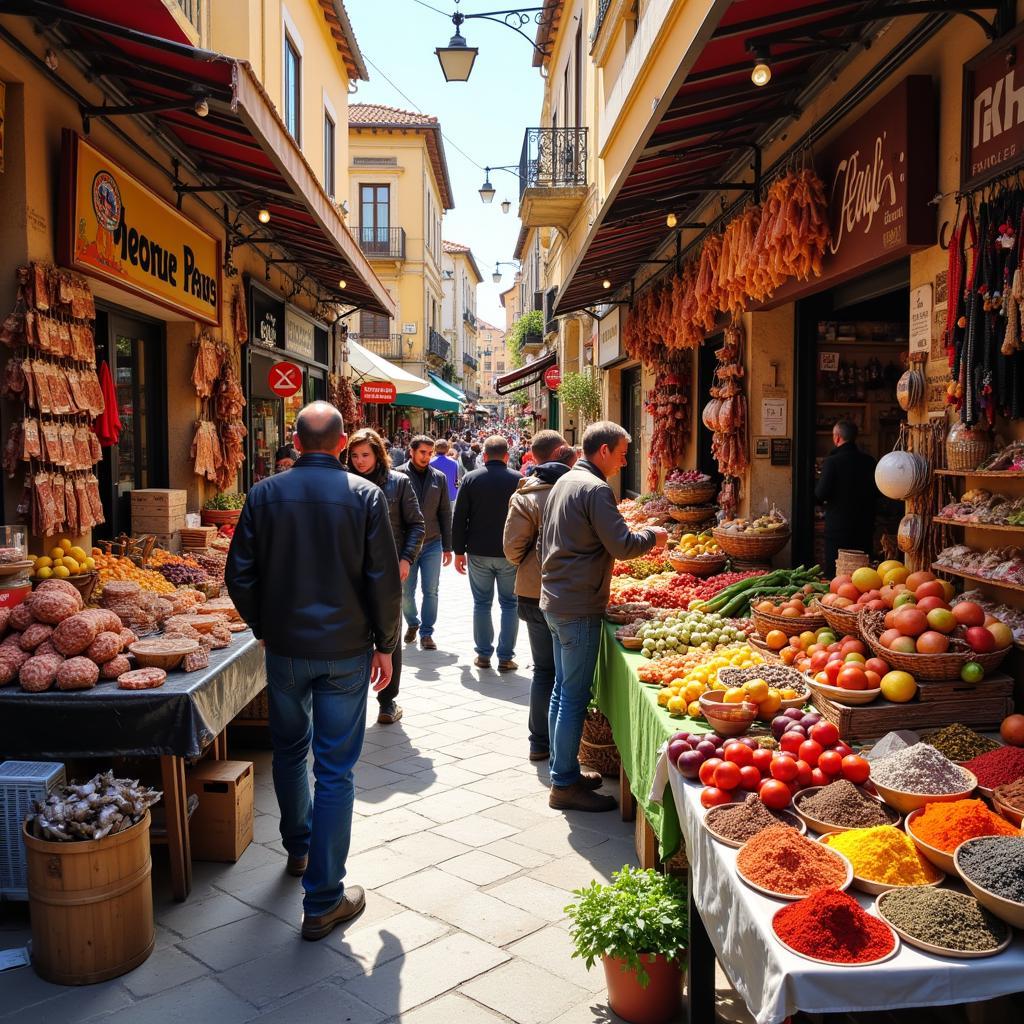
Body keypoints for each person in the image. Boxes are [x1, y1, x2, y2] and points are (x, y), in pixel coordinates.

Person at [226, 402, 400, 940]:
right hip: (346, 650)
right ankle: (323, 898)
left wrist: (262, 623)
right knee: (335, 769)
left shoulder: (263, 493)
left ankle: (299, 849)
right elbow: (382, 581)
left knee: (290, 750)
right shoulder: (365, 495)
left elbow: (239, 574)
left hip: (285, 648)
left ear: (295, 442)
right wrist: (386, 645)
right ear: (343, 441)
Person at [540, 421, 667, 812]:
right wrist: (653, 537)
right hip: (577, 605)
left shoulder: (566, 480)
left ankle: (562, 771)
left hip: (557, 598)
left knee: (563, 691)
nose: (626, 460)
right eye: (624, 452)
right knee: (573, 696)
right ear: (604, 452)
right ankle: (564, 785)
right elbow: (622, 545)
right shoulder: (595, 488)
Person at [503, 430, 577, 760]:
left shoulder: (526, 495)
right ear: (562, 454)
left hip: (533, 592)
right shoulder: (578, 490)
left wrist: (532, 562)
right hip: (573, 593)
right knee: (568, 674)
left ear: (533, 458)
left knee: (544, 670)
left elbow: (511, 549)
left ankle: (539, 742)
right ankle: (567, 748)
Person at [347, 428, 425, 725]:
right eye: (354, 456)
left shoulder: (399, 483)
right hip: (352, 570)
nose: (360, 461)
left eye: (365, 455)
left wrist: (406, 559)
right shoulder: (345, 483)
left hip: (388, 570)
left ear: (378, 454)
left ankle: (387, 700)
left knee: (389, 632)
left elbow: (417, 525)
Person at [453, 435, 522, 671]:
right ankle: (505, 657)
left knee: (482, 603)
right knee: (510, 604)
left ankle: (483, 655)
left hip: (479, 551)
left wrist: (458, 551)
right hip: (510, 552)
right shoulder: (519, 479)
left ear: (484, 456)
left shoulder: (471, 479)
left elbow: (460, 516)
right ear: (506, 456)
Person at [396, 435, 453, 650]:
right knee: (406, 592)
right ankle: (413, 622)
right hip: (406, 545)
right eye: (422, 452)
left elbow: (445, 512)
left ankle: (427, 632)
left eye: (430, 453)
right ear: (411, 451)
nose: (426, 457)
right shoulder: (398, 475)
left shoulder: (438, 477)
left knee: (431, 590)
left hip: (432, 542)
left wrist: (448, 546)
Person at [815, 419, 878, 577]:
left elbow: (820, 494)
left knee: (837, 572)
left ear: (837, 438)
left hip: (838, 527)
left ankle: (835, 600)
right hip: (864, 526)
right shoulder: (869, 461)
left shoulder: (832, 462)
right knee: (862, 573)